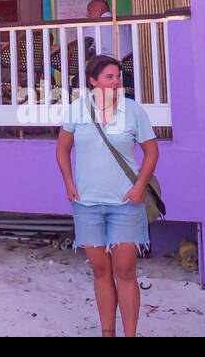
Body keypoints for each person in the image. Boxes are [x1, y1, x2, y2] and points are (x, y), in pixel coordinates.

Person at [56, 54, 159, 337]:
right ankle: (107, 332)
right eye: (109, 77)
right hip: (87, 202)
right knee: (100, 270)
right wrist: (69, 184)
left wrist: (139, 187)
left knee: (124, 270)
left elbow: (152, 152)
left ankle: (130, 333)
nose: (116, 83)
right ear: (93, 81)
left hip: (125, 203)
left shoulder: (133, 110)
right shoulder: (77, 109)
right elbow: (62, 149)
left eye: (118, 77)